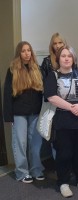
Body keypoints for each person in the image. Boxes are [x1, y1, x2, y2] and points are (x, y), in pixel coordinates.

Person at [44, 45, 78, 197]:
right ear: (58, 59)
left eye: (69, 56)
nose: (66, 58)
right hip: (63, 121)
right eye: (63, 56)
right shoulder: (53, 76)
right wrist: (71, 107)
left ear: (73, 59)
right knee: (64, 153)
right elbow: (51, 96)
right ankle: (63, 182)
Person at [3, 41, 45, 183]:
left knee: (35, 143)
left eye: (28, 50)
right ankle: (22, 172)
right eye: (23, 51)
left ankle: (36, 170)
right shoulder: (12, 70)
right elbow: (7, 93)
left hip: (35, 112)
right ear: (19, 53)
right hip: (18, 113)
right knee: (20, 143)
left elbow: (41, 92)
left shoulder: (36, 68)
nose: (27, 53)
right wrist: (8, 116)